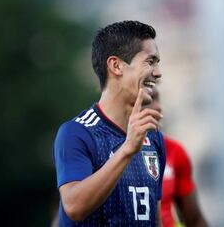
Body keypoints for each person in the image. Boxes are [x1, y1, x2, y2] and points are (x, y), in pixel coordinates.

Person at [53, 20, 165, 226]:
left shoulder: (153, 137)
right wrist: (127, 149)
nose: (158, 73)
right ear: (116, 66)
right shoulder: (77, 133)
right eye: (150, 62)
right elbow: (74, 207)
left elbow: (154, 220)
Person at [148, 88, 208, 227]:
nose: (158, 107)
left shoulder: (173, 151)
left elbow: (195, 220)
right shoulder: (110, 153)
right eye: (148, 100)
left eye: (157, 98)